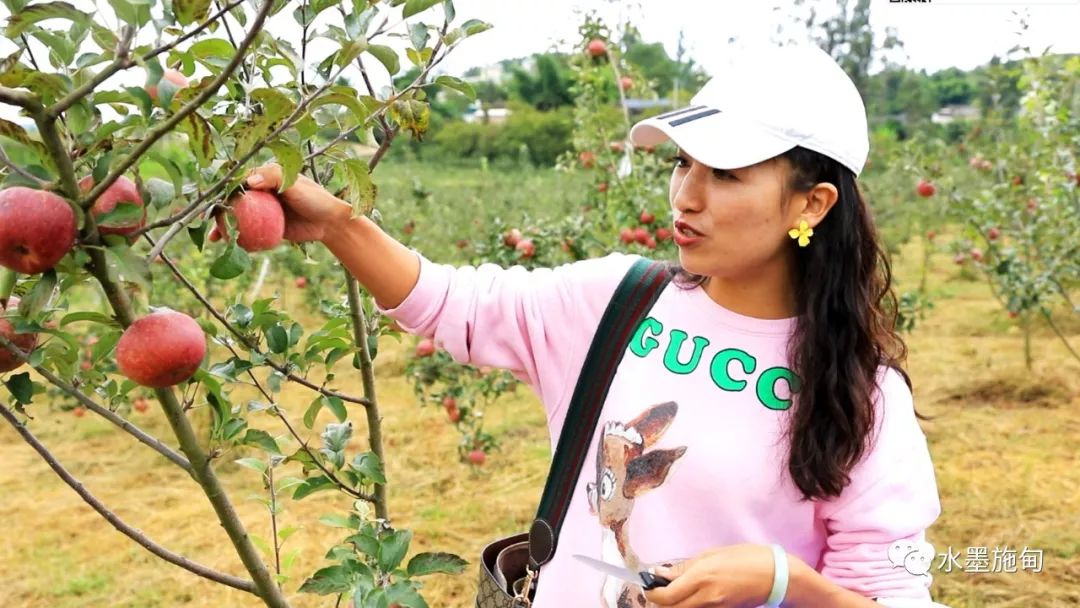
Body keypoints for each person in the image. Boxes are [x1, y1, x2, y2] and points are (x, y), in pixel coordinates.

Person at [244, 41, 946, 608]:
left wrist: (783, 580)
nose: (685, 196)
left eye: (726, 174)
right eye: (682, 163)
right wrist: (339, 224)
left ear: (812, 204)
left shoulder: (863, 396)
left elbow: (888, 596)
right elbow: (451, 301)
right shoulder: (618, 301)